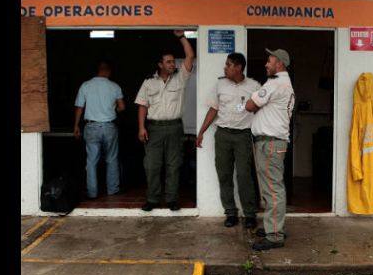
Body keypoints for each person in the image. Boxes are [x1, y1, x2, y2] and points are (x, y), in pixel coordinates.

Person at [196, 53, 261, 228]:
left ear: (239, 67)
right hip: (223, 135)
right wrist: (201, 131)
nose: (225, 67)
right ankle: (230, 212)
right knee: (224, 174)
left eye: (228, 65)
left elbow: (261, 111)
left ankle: (249, 214)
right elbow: (213, 110)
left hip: (243, 136)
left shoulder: (254, 86)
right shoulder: (220, 85)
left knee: (244, 175)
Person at [134, 30, 196, 212]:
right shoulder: (148, 83)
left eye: (172, 61)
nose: (172, 64)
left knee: (173, 165)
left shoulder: (180, 79)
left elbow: (190, 55)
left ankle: (171, 199)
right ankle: (152, 199)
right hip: (154, 128)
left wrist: (181, 36)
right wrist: (141, 128)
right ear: (160, 64)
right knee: (152, 165)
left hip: (175, 127)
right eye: (168, 61)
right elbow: (142, 106)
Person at [245, 48, 295, 250]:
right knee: (270, 188)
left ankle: (274, 235)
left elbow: (250, 104)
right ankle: (272, 227)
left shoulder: (276, 83)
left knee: (273, 189)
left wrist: (254, 101)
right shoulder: (284, 84)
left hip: (271, 143)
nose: (266, 64)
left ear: (279, 64)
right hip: (271, 142)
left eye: (270, 60)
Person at [73, 59, 125, 199]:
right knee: (112, 159)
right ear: (107, 71)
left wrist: (76, 125)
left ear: (97, 71)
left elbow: (79, 107)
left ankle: (92, 192)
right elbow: (122, 107)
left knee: (91, 161)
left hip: (91, 127)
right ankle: (112, 190)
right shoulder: (114, 86)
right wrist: (113, 110)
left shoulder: (85, 85)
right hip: (109, 126)